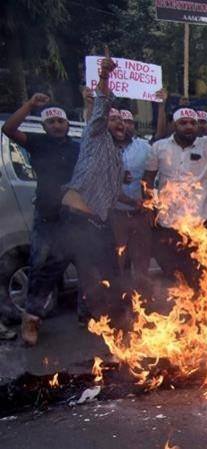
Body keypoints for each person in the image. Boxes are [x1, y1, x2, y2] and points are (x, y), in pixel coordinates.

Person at [47, 55, 129, 344]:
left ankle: (117, 323)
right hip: (74, 218)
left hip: (97, 222)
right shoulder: (96, 134)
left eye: (122, 120)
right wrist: (105, 77)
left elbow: (111, 195)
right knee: (50, 270)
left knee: (109, 272)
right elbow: (101, 105)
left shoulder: (118, 159)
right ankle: (30, 322)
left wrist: (138, 202)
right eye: (114, 119)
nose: (118, 122)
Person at [2, 94, 80, 341]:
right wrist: (29, 106)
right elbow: (9, 129)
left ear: (67, 124)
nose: (57, 125)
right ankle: (31, 321)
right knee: (39, 269)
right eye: (52, 121)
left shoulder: (78, 148)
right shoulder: (37, 143)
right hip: (46, 219)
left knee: (88, 267)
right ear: (44, 126)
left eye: (61, 121)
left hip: (75, 220)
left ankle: (89, 317)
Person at [143, 94, 207, 288]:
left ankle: (201, 313)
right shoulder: (159, 147)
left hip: (198, 223)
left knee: (200, 275)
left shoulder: (206, 146)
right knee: (174, 276)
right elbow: (147, 179)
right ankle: (180, 311)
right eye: (183, 122)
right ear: (174, 125)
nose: (189, 126)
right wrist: (148, 206)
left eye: (192, 123)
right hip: (168, 223)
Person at [110, 109, 153, 296]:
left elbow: (154, 176)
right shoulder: (101, 149)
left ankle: (143, 304)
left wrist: (148, 202)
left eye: (126, 121)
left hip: (140, 216)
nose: (122, 125)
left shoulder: (145, 147)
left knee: (142, 263)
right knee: (117, 262)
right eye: (116, 120)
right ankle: (121, 303)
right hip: (115, 216)